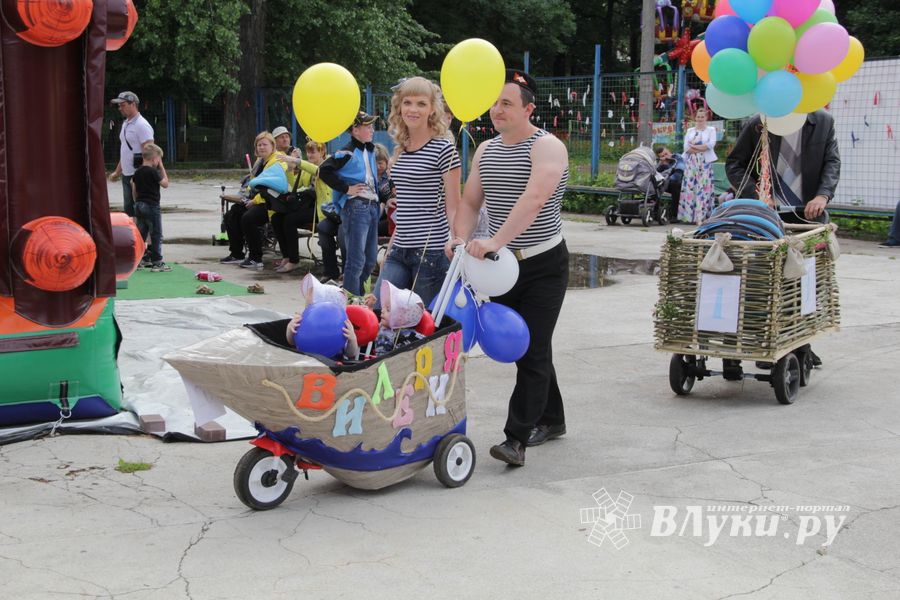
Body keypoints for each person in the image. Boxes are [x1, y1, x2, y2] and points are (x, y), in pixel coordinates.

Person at [448, 70, 569, 467]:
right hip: (500, 270)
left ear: (528, 109)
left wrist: (496, 241)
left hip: (543, 264)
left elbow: (534, 199)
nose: (497, 110)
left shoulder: (547, 147)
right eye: (494, 102)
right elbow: (469, 203)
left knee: (531, 348)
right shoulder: (486, 150)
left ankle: (515, 439)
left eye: (507, 103)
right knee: (528, 347)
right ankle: (552, 418)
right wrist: (460, 238)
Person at [374, 77, 461, 309]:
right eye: (407, 102)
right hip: (400, 248)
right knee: (378, 310)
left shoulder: (444, 150)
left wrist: (457, 239)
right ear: (399, 106)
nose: (413, 109)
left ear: (432, 108)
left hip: (431, 251)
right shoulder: (400, 150)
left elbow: (454, 205)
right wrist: (390, 249)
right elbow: (405, 207)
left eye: (421, 104)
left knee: (421, 324)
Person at [726, 110, 840, 225]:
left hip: (809, 211)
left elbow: (832, 162)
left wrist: (823, 195)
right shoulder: (757, 123)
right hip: (765, 212)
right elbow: (734, 165)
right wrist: (757, 194)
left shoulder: (824, 121)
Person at [318, 111, 381, 296]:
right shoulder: (346, 151)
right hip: (356, 207)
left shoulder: (370, 149)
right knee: (356, 260)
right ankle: (352, 300)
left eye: (372, 126)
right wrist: (346, 189)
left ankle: (357, 295)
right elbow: (324, 170)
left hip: (372, 206)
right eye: (367, 126)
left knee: (370, 260)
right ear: (355, 130)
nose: (372, 130)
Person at [220, 131, 292, 269]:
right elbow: (253, 184)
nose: (261, 147)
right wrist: (246, 198)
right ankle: (236, 254)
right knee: (232, 214)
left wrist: (254, 201)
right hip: (257, 199)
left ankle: (255, 258)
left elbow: (271, 186)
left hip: (273, 203)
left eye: (264, 144)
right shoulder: (259, 162)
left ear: (273, 146)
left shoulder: (278, 159)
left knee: (248, 218)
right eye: (259, 145)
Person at [108, 91, 154, 218]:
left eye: (122, 105)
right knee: (129, 210)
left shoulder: (141, 125)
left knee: (143, 210)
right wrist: (117, 172)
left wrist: (142, 175)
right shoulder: (126, 124)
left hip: (138, 175)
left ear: (133, 104)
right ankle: (135, 236)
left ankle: (146, 238)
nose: (120, 108)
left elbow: (150, 152)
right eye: (119, 106)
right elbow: (126, 151)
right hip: (127, 174)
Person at [131, 143, 170, 272]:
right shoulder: (153, 172)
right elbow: (165, 184)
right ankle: (157, 261)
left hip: (139, 205)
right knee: (156, 233)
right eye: (159, 159)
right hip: (151, 205)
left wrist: (136, 202)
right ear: (155, 159)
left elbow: (133, 186)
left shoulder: (138, 172)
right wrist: (162, 167)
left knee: (141, 234)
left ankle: (139, 259)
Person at [678, 108, 717, 224]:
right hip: (692, 162)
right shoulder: (690, 131)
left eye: (702, 117)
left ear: (706, 118)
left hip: (704, 162)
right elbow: (686, 148)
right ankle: (689, 216)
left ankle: (701, 216)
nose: (700, 119)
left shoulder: (711, 130)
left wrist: (695, 147)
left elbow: (710, 145)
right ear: (695, 118)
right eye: (698, 117)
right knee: (691, 187)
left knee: (703, 188)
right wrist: (699, 147)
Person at [655, 145, 685, 220]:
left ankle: (674, 215)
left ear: (669, 151)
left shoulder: (677, 157)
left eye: (666, 153)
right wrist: (661, 165)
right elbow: (655, 174)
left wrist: (667, 166)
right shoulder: (661, 162)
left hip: (678, 183)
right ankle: (655, 211)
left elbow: (678, 175)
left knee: (676, 185)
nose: (666, 156)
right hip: (666, 183)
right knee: (654, 185)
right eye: (662, 156)